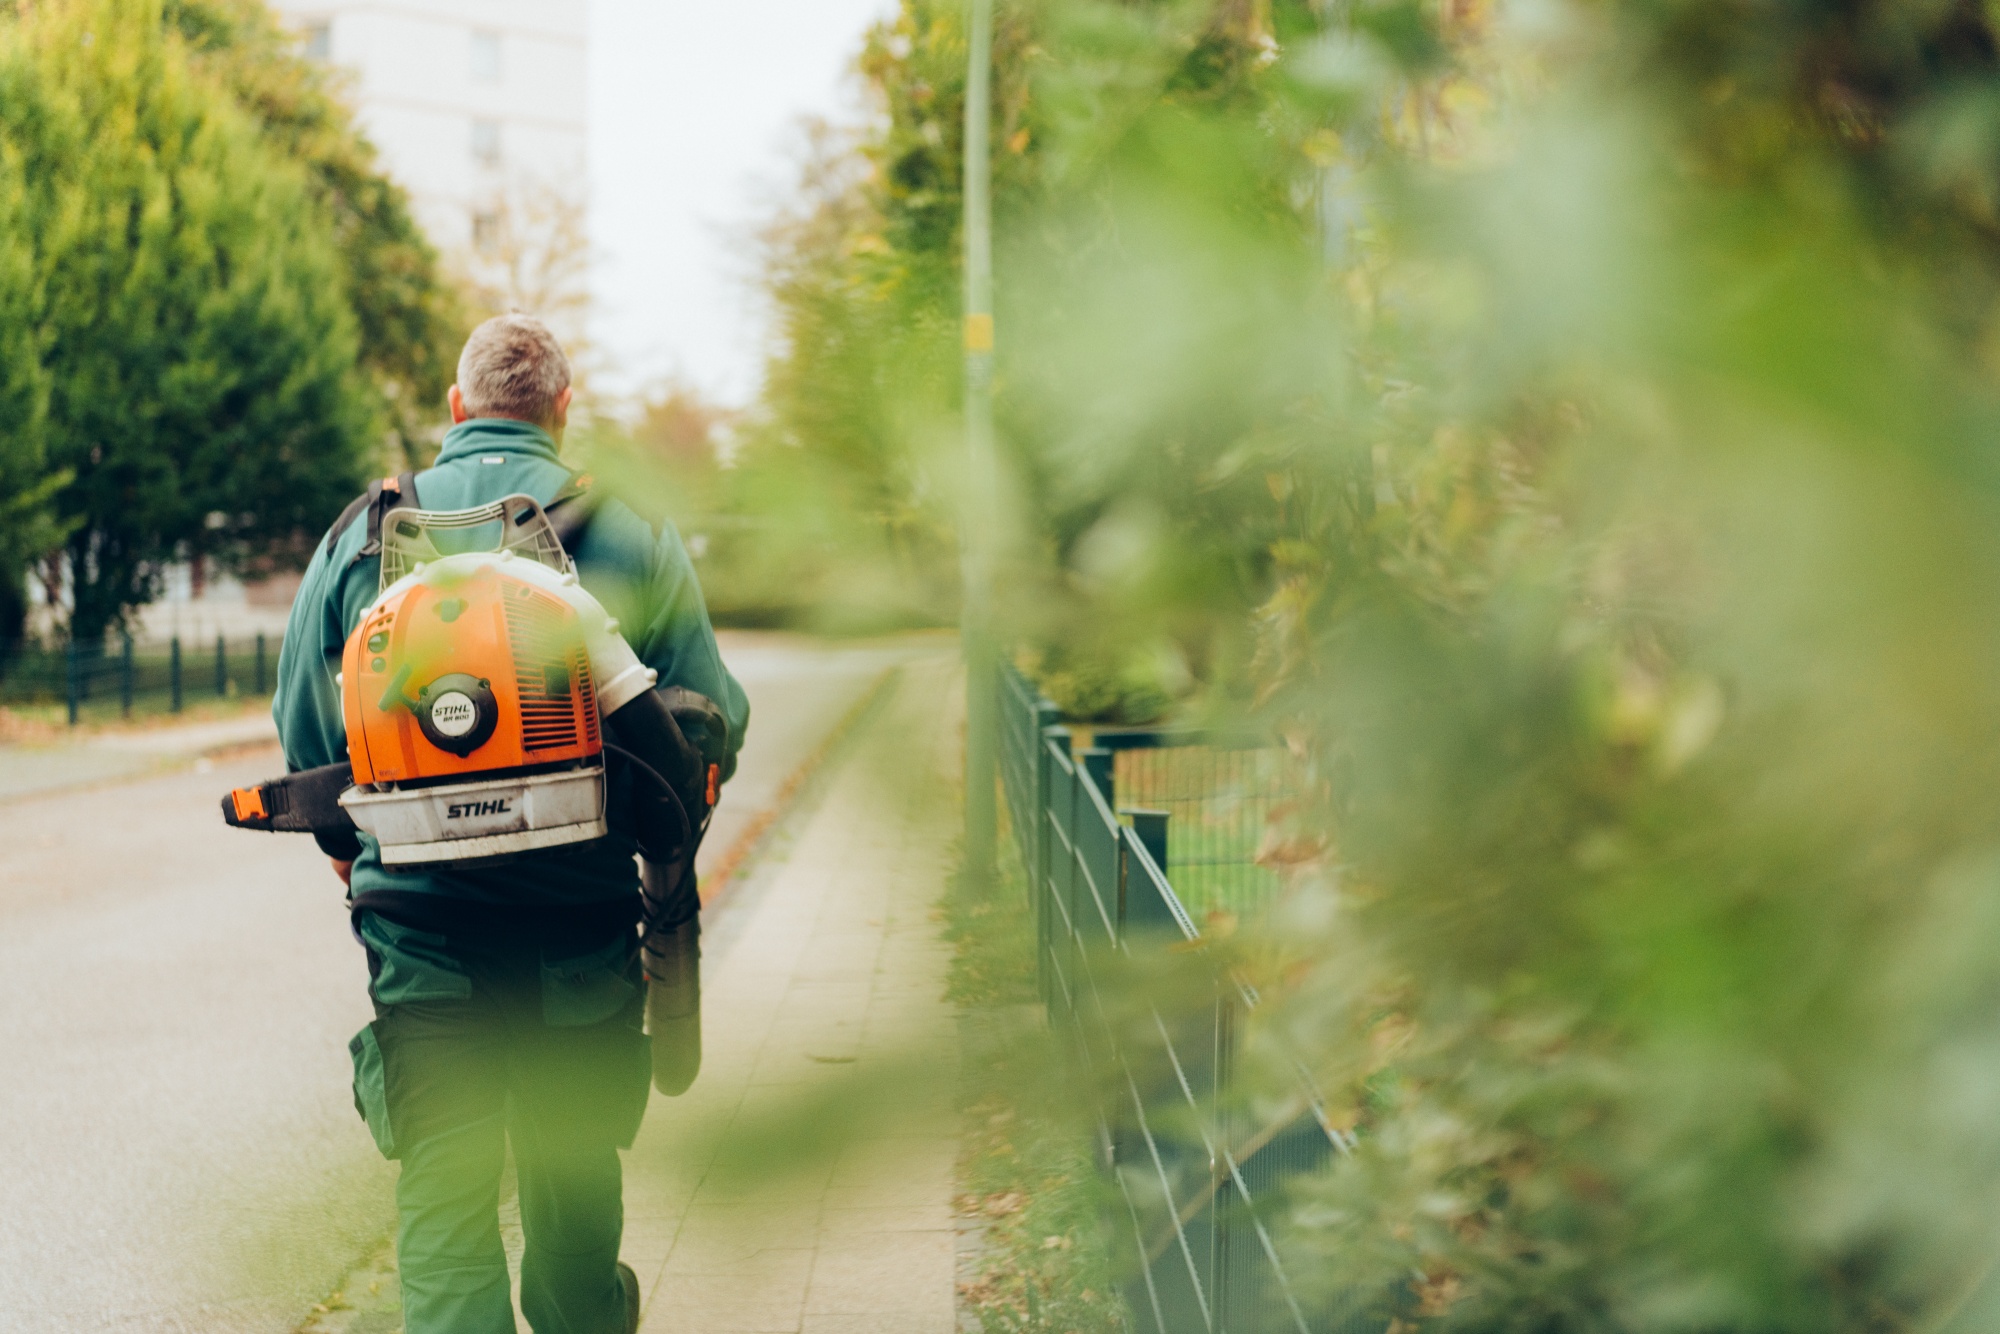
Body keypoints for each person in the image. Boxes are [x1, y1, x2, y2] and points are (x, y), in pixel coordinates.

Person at [272, 314, 749, 1333]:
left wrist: (361, 858)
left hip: (422, 927)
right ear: (562, 414)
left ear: (456, 410)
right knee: (574, 1182)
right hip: (579, 913)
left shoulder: (363, 533)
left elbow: (303, 737)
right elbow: (714, 717)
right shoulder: (628, 528)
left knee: (444, 1192)